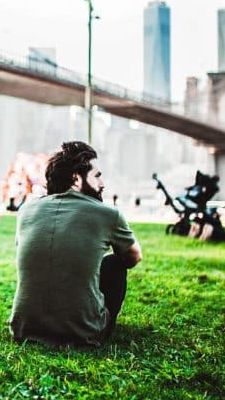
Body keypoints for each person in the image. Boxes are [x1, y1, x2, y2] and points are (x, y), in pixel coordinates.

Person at [9, 141, 142, 347]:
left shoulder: (26, 210)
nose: (102, 183)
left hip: (24, 329)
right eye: (97, 176)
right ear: (76, 178)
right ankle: (93, 323)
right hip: (83, 333)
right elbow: (134, 257)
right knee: (115, 263)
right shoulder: (107, 213)